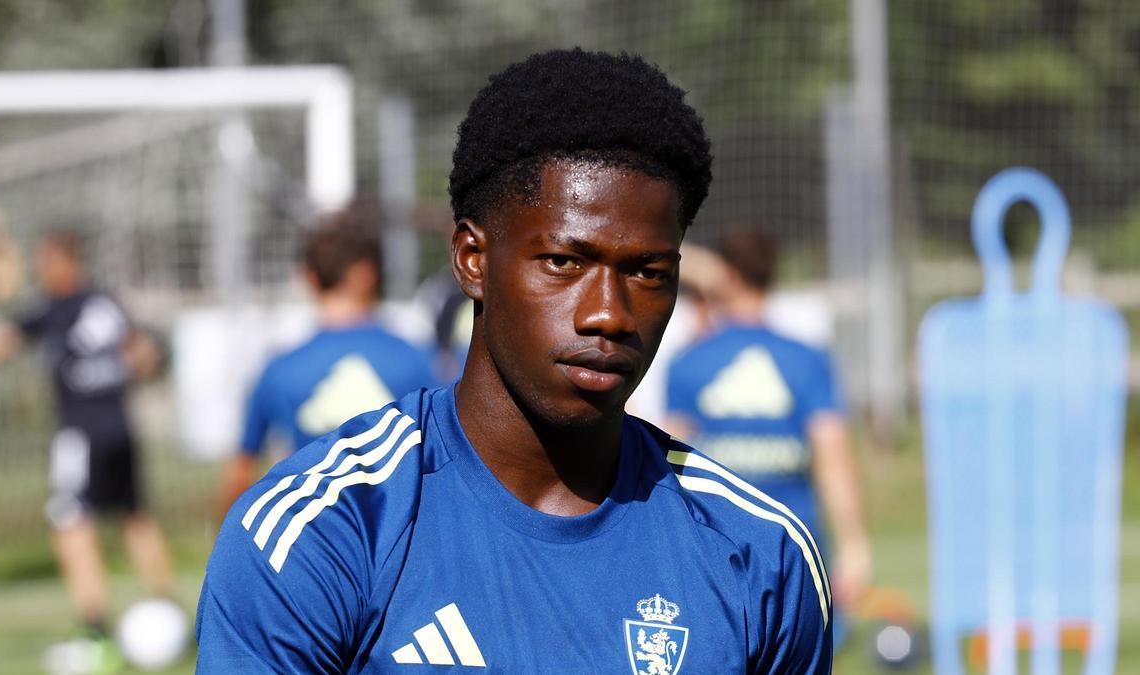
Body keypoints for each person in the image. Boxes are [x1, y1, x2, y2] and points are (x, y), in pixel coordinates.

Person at [197, 48, 832, 673]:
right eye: (564, 261)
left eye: (646, 271)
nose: (608, 313)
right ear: (473, 260)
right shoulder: (325, 534)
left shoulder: (760, 555)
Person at [0, 230, 174, 671]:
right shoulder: (105, 302)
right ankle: (172, 614)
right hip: (120, 426)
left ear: (63, 261)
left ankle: (94, 632)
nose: (41, 270)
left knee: (71, 523)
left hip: (81, 434)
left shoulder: (51, 307)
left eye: (45, 261)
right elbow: (145, 354)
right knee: (135, 516)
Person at [665, 231, 871, 645]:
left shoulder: (689, 361)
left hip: (713, 551)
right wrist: (853, 543)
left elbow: (671, 463)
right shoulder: (808, 359)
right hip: (793, 548)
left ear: (723, 274)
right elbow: (833, 457)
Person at [218, 209, 435, 513]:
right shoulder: (418, 360)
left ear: (308, 277)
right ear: (368, 273)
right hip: (403, 535)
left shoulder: (279, 370)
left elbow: (240, 473)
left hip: (312, 539)